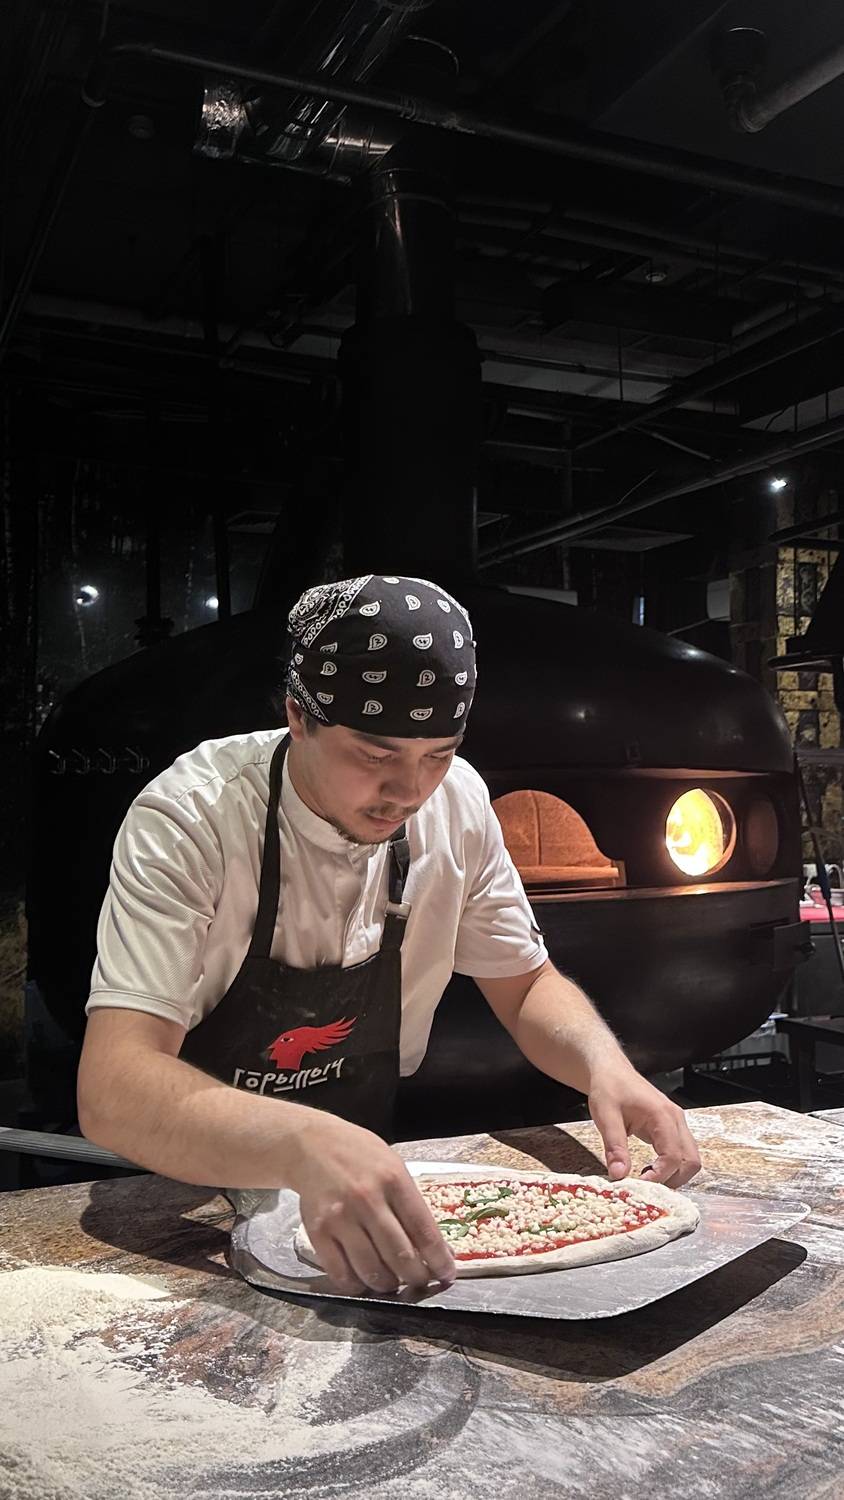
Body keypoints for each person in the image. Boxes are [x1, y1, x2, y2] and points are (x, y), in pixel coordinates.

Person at [78, 574, 701, 1294]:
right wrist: (302, 1142)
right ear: (298, 716)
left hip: (367, 1186)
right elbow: (114, 1086)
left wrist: (605, 1068)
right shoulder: (194, 817)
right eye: (376, 756)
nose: (409, 792)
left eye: (437, 754)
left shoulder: (457, 802)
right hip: (190, 1188)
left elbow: (525, 984)